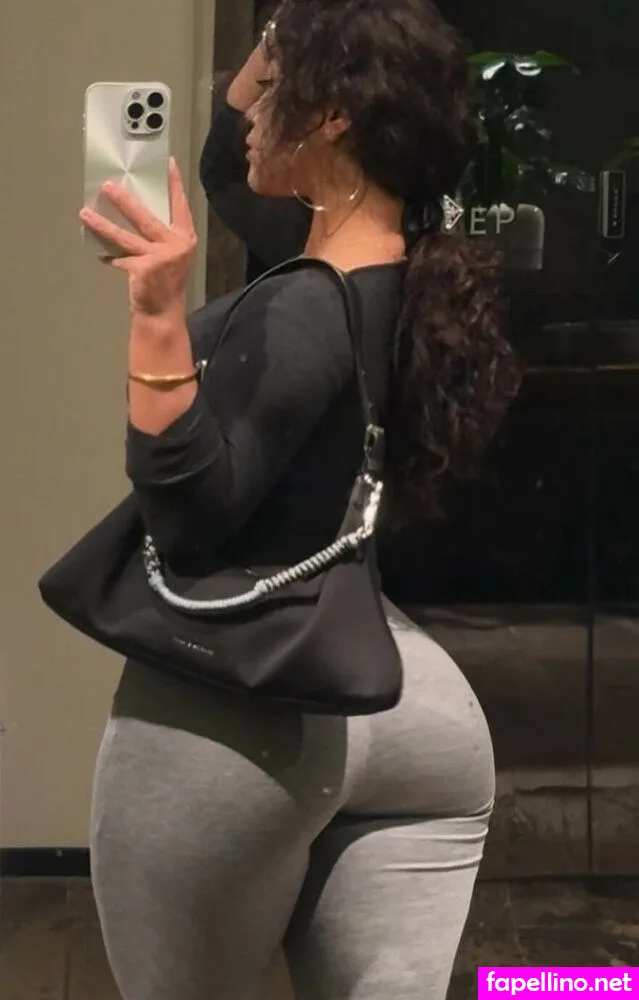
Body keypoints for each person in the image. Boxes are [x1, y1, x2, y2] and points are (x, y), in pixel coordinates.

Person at [80, 1, 519, 998]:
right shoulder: (402, 271)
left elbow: (189, 515)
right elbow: (224, 161)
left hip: (248, 718)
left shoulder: (307, 305)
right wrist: (294, 31)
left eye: (275, 88)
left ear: (331, 118)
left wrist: (156, 315)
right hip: (410, 705)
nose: (249, 110)